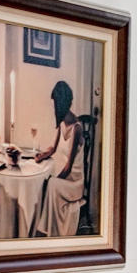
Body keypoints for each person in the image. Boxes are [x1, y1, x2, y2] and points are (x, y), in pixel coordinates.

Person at [36, 78, 87, 236]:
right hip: (66, 179)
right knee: (48, 182)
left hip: (74, 183)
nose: (53, 107)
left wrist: (56, 179)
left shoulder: (76, 128)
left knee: (51, 184)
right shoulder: (62, 123)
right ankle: (48, 230)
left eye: (55, 103)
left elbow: (69, 167)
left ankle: (47, 232)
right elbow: (53, 148)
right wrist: (40, 156)